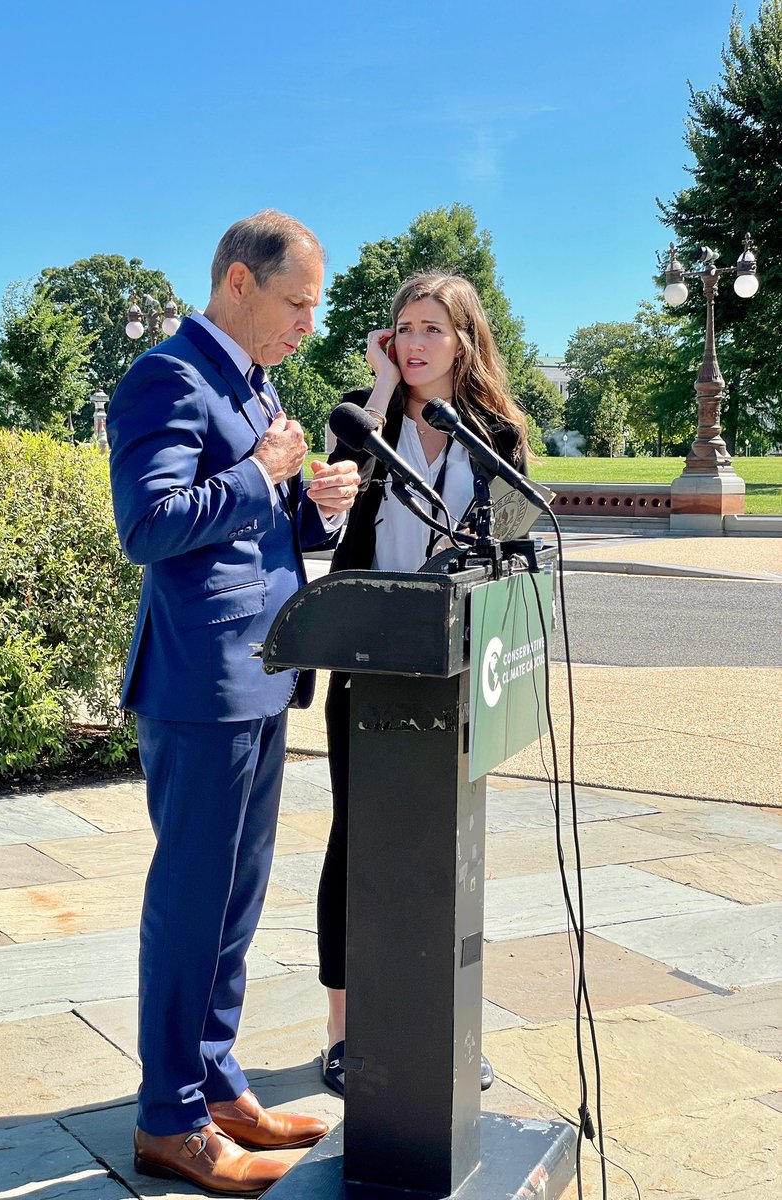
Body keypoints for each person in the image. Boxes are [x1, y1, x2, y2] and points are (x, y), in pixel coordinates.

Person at [108, 210, 361, 1195]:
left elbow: (254, 521)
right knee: (192, 902)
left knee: (237, 900)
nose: (307, 322)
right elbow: (152, 523)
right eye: (297, 302)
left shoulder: (256, 385)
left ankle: (215, 1086)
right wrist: (264, 476)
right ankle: (169, 1119)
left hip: (260, 676)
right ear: (239, 284)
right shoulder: (168, 377)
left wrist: (313, 505)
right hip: (199, 684)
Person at [316, 272, 530, 1096]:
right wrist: (375, 386)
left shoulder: (495, 434)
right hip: (368, 667)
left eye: (431, 328)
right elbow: (333, 515)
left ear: (465, 340)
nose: (412, 342)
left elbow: (507, 548)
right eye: (401, 327)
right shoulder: (364, 421)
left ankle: (447, 1027)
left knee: (449, 851)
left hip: (458, 671)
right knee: (356, 842)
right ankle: (343, 1031)